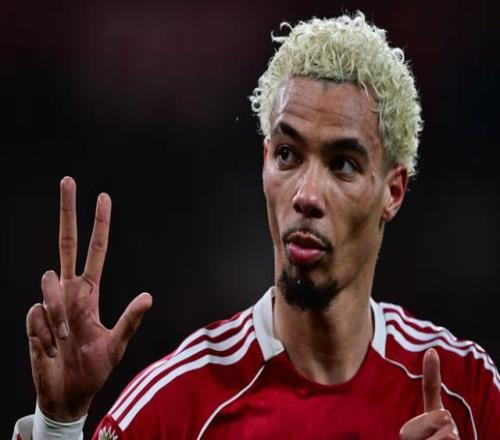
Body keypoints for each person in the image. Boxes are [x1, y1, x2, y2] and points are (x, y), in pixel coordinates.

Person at [12, 12, 499, 440]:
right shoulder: (176, 407)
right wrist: (59, 424)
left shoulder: (467, 390)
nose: (306, 196)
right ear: (265, 162)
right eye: (288, 154)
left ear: (393, 191)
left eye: (343, 164)